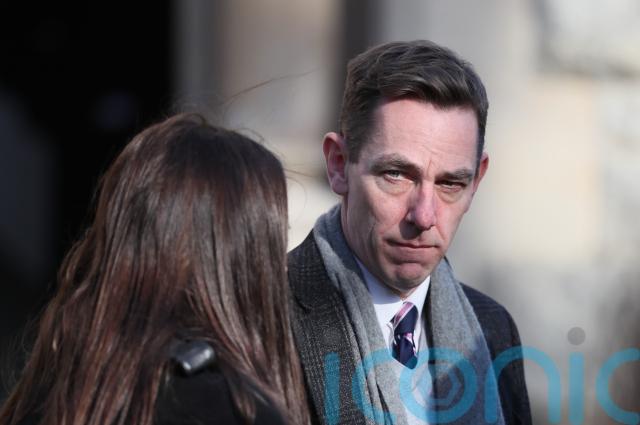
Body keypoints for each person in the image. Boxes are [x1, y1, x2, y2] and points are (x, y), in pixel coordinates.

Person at [0, 113, 310, 425]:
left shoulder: (57, 391)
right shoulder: (239, 411)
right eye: (274, 244)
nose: (284, 265)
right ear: (243, 257)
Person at [288, 40, 531, 424]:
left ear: (476, 183)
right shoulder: (260, 315)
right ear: (338, 165)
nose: (424, 215)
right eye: (396, 175)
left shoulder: (492, 329)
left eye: (450, 183)